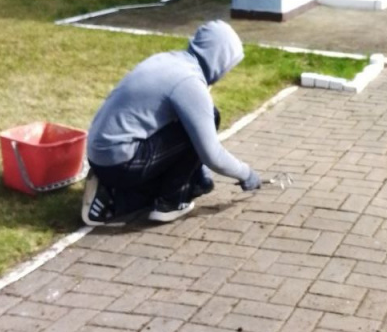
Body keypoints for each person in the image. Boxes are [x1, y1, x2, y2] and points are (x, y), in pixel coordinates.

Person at [82, 20, 261, 225]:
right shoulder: (189, 83)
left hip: (100, 154)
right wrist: (246, 174)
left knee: (191, 126)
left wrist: (199, 177)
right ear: (219, 59)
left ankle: (110, 193)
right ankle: (171, 202)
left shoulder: (169, 60)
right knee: (208, 117)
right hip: (120, 161)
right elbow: (212, 154)